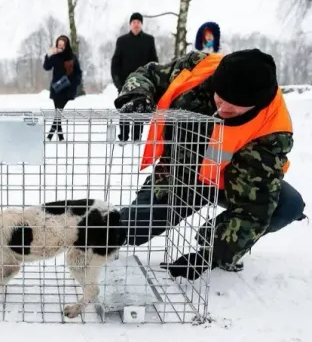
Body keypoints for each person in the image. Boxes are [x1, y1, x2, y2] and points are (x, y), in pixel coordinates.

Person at [115, 48, 306, 280]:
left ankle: (218, 240)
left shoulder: (273, 131)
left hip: (230, 182)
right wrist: (137, 94)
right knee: (129, 228)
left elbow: (253, 207)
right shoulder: (198, 66)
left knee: (289, 205)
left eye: (234, 106)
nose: (222, 108)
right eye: (220, 97)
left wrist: (210, 255)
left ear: (255, 104)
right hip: (180, 174)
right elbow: (150, 74)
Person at [110, 12, 159, 143]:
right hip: (124, 83)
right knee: (124, 109)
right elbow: (115, 63)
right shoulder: (122, 41)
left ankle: (137, 138)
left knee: (140, 108)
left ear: (141, 24)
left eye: (138, 22)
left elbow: (153, 62)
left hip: (142, 82)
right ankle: (123, 137)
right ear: (130, 24)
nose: (136, 24)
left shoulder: (149, 40)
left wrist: (152, 80)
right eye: (134, 22)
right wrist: (117, 82)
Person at [43, 34, 83, 141]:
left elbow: (78, 73)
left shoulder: (72, 57)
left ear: (66, 45)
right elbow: (46, 67)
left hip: (67, 89)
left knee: (58, 112)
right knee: (58, 112)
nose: (60, 46)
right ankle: (60, 137)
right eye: (59, 44)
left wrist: (74, 83)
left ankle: (50, 135)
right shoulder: (55, 57)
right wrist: (49, 54)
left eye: (62, 44)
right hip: (56, 88)